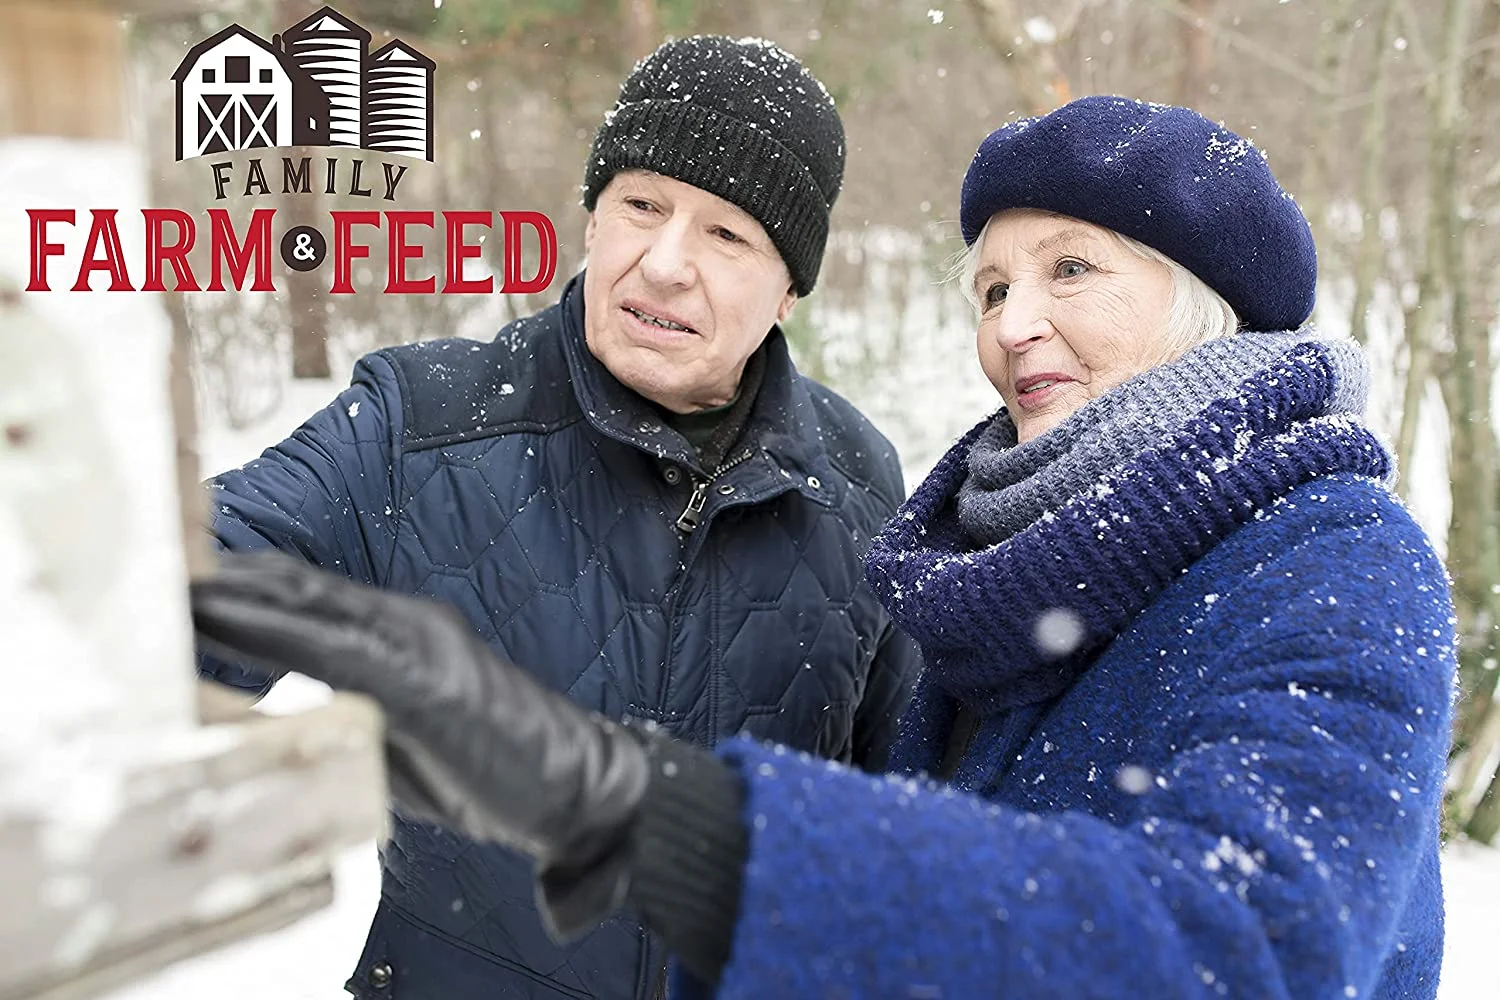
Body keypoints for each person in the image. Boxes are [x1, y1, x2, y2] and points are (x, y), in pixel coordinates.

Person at [193, 96, 1457, 1000]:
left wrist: (656, 819)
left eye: (1072, 270)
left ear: (787, 285)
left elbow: (1249, 946)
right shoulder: (989, 559)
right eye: (993, 287)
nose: (1018, 323)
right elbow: (182, 594)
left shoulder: (1328, 556)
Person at [198, 35, 921, 1000]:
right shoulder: (419, 427)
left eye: (726, 235)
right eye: (642, 205)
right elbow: (166, 604)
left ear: (789, 286)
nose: (664, 264)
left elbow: (905, 812)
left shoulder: (857, 479)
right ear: (592, 220)